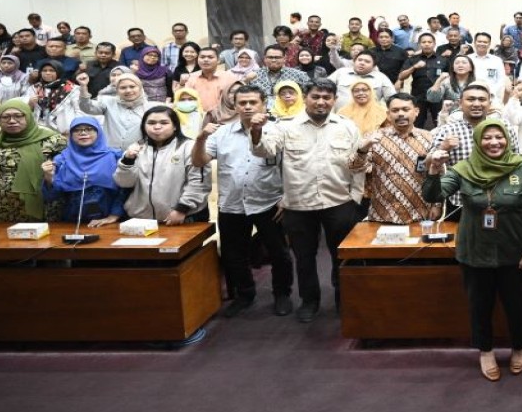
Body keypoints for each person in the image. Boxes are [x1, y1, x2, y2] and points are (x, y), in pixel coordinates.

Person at [423, 119, 522, 382]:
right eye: (487, 138)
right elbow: (433, 195)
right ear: (478, 141)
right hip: (475, 251)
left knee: (517, 305)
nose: (494, 142)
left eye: (498, 137)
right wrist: (433, 169)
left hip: (514, 252)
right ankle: (486, 351)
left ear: (507, 139)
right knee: (480, 305)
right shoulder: (462, 169)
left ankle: (519, 347)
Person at [251, 79, 362, 323]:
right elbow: (264, 151)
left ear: (334, 100)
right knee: (304, 257)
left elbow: (358, 166)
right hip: (299, 204)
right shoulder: (286, 126)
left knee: (342, 256)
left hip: (339, 202)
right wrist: (256, 130)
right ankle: (309, 302)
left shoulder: (347, 126)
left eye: (327, 97)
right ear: (306, 98)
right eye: (316, 96)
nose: (321, 102)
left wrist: (355, 198)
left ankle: (344, 301)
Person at [0, 100, 66, 221]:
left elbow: (68, 174)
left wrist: (50, 176)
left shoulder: (54, 141)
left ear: (28, 116)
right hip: (3, 212)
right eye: (5, 117)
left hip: (46, 211)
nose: (12, 120)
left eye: (18, 116)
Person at [427, 83, 521, 222]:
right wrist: (442, 147)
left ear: (489, 103)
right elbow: (429, 163)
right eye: (470, 99)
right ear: (460, 103)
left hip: (499, 201)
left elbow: (516, 163)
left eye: (482, 100)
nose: (476, 104)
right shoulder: (448, 130)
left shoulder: (504, 126)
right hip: (460, 202)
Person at [110, 106, 211, 227]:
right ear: (144, 126)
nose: (157, 127)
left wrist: (182, 209)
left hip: (182, 217)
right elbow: (124, 183)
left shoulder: (189, 147)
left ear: (175, 126)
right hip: (141, 220)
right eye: (151, 123)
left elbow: (199, 183)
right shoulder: (136, 148)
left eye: (164, 123)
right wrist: (128, 160)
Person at [349, 93, 441, 224]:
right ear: (388, 114)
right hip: (383, 213)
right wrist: (363, 149)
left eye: (405, 109)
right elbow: (353, 167)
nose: (401, 114)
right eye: (395, 110)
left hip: (421, 214)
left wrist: (437, 205)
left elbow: (437, 175)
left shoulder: (429, 138)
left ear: (416, 111)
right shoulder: (374, 138)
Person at [40, 117, 124, 225]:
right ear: (71, 134)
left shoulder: (115, 156)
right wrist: (49, 178)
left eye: (89, 129)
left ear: (98, 132)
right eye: (77, 130)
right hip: (72, 222)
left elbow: (124, 190)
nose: (83, 133)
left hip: (108, 221)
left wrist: (114, 216)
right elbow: (51, 197)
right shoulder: (61, 160)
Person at [398, 32, 444, 128]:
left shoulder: (443, 60)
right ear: (420, 44)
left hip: (437, 97)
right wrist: (414, 67)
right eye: (424, 42)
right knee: (417, 123)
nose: (427, 44)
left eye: (429, 42)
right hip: (418, 96)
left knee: (439, 123)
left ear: (434, 43)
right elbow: (401, 76)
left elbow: (450, 77)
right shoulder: (413, 59)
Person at [182, 47, 240, 113]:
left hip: (224, 118)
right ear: (197, 60)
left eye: (210, 57)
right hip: (198, 117)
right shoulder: (191, 78)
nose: (206, 60)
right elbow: (186, 100)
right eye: (202, 57)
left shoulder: (229, 78)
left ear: (218, 60)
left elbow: (236, 101)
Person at [29, 60, 82, 132]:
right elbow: (27, 111)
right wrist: (30, 104)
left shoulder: (71, 89)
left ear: (59, 72)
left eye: (52, 70)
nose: (47, 73)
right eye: (44, 70)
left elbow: (79, 111)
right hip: (40, 130)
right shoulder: (35, 88)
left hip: (65, 130)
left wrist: (76, 127)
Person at [468, 32, 509, 97]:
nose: (482, 44)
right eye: (479, 41)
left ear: (489, 44)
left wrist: (491, 92)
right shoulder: (468, 59)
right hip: (470, 93)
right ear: (474, 43)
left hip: (492, 94)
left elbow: (501, 79)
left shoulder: (497, 60)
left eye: (485, 42)